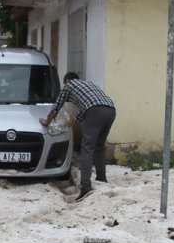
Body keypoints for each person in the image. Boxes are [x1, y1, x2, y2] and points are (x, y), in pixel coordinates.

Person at [39, 72, 116, 202]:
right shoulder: (88, 85)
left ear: (67, 80)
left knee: (87, 147)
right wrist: (73, 120)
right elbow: (87, 107)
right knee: (99, 146)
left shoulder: (68, 85)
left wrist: (47, 121)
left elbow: (57, 106)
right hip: (110, 110)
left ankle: (86, 186)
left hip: (95, 111)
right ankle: (101, 177)